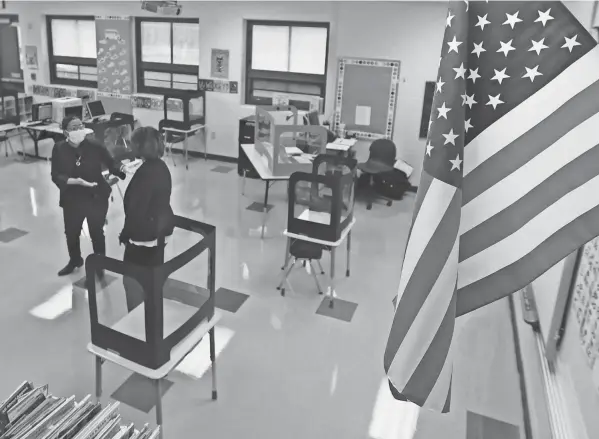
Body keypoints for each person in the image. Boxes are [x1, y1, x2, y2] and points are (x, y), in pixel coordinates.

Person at [51, 116, 126, 276]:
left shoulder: (94, 146)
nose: (78, 130)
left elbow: (111, 162)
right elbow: (56, 175)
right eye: (73, 127)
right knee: (71, 232)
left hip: (96, 195)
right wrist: (73, 181)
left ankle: (100, 265)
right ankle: (75, 260)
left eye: (80, 126)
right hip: (72, 197)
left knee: (96, 232)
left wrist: (122, 170)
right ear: (65, 132)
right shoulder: (59, 148)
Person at [119, 126, 174, 311]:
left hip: (145, 235)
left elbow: (137, 210)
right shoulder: (160, 167)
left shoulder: (146, 174)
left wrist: (125, 235)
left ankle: (136, 320)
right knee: (154, 277)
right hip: (161, 229)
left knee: (132, 280)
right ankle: (153, 310)